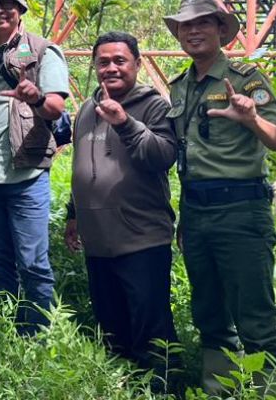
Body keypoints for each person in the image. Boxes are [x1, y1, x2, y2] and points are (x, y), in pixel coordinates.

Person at [165, 0, 276, 394]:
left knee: (254, 313)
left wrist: (253, 120)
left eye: (203, 23)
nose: (193, 31)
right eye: (186, 26)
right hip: (196, 210)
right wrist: (185, 220)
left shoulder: (245, 80)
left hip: (241, 209)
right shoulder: (181, 85)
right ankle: (218, 388)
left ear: (221, 30)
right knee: (208, 311)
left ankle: (271, 388)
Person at [65, 32, 179, 385]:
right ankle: (123, 388)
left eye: (120, 61)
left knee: (151, 328)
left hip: (141, 238)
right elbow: (82, 165)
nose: (111, 68)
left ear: (137, 64)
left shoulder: (155, 106)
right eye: (103, 61)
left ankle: (163, 388)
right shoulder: (87, 108)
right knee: (111, 327)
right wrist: (73, 215)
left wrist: (125, 123)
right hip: (98, 241)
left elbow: (162, 157)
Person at [0, 0, 69, 335]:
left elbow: (56, 107)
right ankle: (5, 332)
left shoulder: (42, 50)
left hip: (26, 177)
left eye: (8, 4)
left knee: (33, 262)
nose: (0, 10)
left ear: (21, 10)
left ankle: (37, 335)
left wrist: (36, 96)